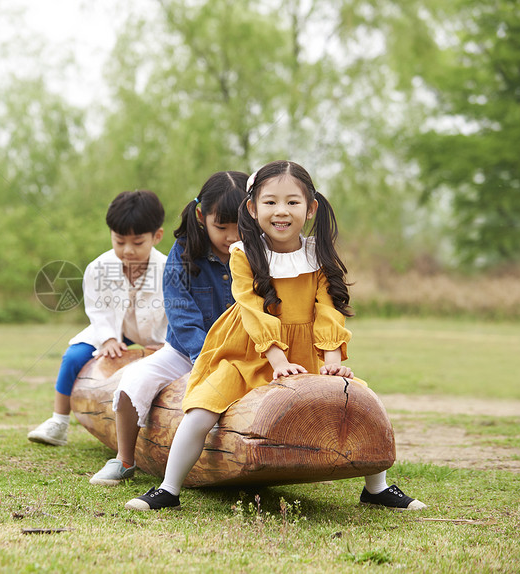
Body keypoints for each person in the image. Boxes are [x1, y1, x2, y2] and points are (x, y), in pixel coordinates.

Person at [125, 160, 426, 511]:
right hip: (247, 351)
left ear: (311, 207)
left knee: (359, 398)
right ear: (252, 208)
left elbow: (327, 307)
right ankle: (169, 489)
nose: (281, 211)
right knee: (201, 411)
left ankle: (376, 487)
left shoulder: (318, 253)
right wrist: (277, 359)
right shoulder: (244, 254)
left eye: (292, 202)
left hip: (304, 353)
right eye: (270, 202)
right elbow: (252, 309)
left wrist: (332, 361)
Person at [89, 171, 249, 486]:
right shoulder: (185, 251)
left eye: (240, 226)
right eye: (222, 227)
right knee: (133, 380)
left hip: (248, 351)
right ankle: (124, 459)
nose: (231, 236)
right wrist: (204, 357)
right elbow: (180, 309)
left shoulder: (258, 252)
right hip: (186, 350)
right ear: (202, 216)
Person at [28, 190, 168, 446]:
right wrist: (109, 338)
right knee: (73, 356)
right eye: (119, 241)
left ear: (156, 236)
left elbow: (175, 312)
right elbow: (97, 309)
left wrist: (167, 344)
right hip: (116, 326)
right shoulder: (98, 268)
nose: (127, 250)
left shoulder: (169, 270)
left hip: (156, 332)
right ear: (111, 235)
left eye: (137, 243)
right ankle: (58, 421)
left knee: (169, 367)